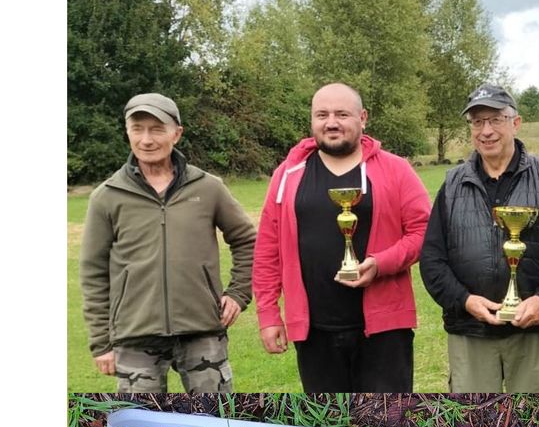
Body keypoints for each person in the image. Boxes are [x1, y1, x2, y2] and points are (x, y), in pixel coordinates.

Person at [253, 83, 430, 392]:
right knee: (327, 419)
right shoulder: (288, 174)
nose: (331, 122)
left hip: (385, 331)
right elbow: (268, 249)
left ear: (363, 118)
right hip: (315, 332)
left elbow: (424, 231)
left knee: (385, 418)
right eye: (322, 115)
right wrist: (268, 315)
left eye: (342, 114)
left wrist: (381, 263)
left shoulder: (395, 169)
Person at [79, 93, 256, 392]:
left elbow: (248, 240)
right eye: (137, 129)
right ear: (127, 132)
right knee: (140, 420)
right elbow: (93, 271)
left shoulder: (208, 188)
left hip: (202, 329)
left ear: (177, 133)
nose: (146, 139)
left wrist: (238, 293)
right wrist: (101, 342)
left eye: (157, 129)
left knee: (216, 416)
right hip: (135, 335)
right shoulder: (106, 196)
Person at [419, 84, 539, 393]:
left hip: (538, 333)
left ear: (515, 123)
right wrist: (464, 301)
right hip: (471, 332)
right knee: (474, 421)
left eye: (496, 119)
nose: (486, 131)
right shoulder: (452, 184)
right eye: (477, 122)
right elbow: (432, 260)